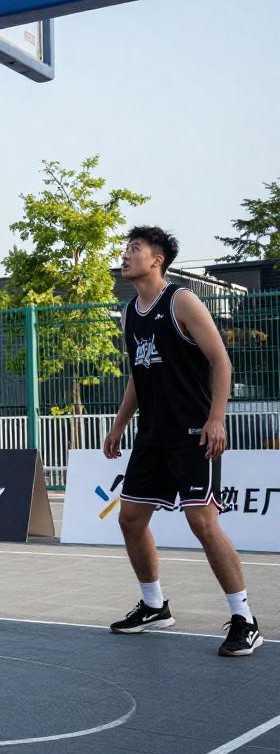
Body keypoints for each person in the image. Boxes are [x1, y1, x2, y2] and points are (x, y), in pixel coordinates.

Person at [104, 226, 262, 656]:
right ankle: (154, 606)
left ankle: (245, 619)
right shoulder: (130, 313)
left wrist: (216, 418)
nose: (125, 255)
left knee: (202, 522)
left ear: (157, 260)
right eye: (125, 248)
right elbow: (138, 374)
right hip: (152, 436)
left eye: (134, 249)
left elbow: (220, 360)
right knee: (130, 520)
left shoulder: (182, 301)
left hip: (193, 433)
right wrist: (119, 425)